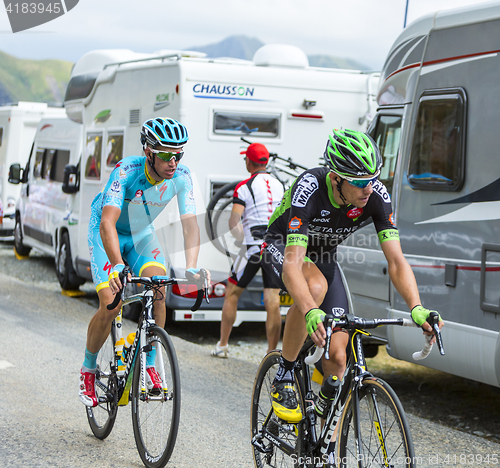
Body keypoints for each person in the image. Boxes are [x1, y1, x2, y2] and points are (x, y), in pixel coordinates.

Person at [261, 129, 444, 440]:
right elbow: (293, 265)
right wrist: (309, 311)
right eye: (359, 182)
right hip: (283, 247)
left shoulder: (376, 196)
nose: (368, 188)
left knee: (338, 356)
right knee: (314, 289)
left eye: (373, 178)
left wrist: (416, 307)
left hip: (323, 257)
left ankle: (324, 441)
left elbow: (397, 262)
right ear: (335, 178)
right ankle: (285, 372)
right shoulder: (310, 187)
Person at [79, 117, 209, 407]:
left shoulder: (182, 177)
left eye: (178, 155)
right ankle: (88, 370)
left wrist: (191, 267)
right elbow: (108, 222)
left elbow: (191, 225)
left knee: (159, 288)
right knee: (110, 303)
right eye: (165, 154)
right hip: (107, 232)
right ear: (148, 152)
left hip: (141, 235)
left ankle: (150, 363)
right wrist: (116, 265)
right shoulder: (126, 171)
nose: (172, 162)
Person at [212, 143, 284, 358]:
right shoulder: (280, 185)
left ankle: (223, 345)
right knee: (273, 300)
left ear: (249, 162)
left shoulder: (243, 186)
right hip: (277, 246)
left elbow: (234, 222)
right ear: (266, 162)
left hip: (252, 246)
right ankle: (272, 354)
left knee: (232, 293)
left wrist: (242, 239)